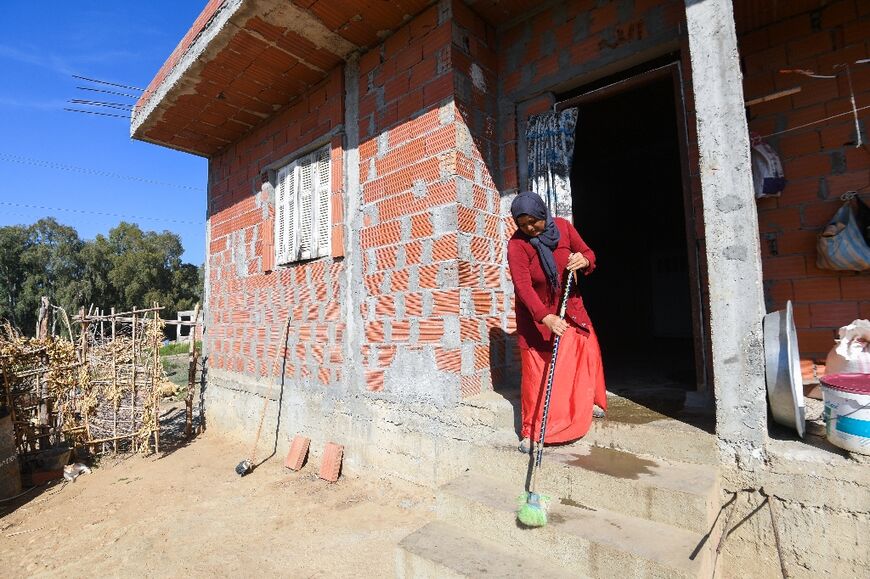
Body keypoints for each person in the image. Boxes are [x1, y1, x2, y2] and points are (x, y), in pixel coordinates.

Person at [507, 191, 607, 453]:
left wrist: (583, 260)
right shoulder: (517, 245)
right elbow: (523, 286)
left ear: (543, 214)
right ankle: (532, 430)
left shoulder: (562, 227)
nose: (529, 228)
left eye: (533, 221)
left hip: (568, 308)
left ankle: (587, 403)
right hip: (537, 318)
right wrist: (545, 317)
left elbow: (588, 253)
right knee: (536, 374)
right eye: (522, 223)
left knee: (583, 355)